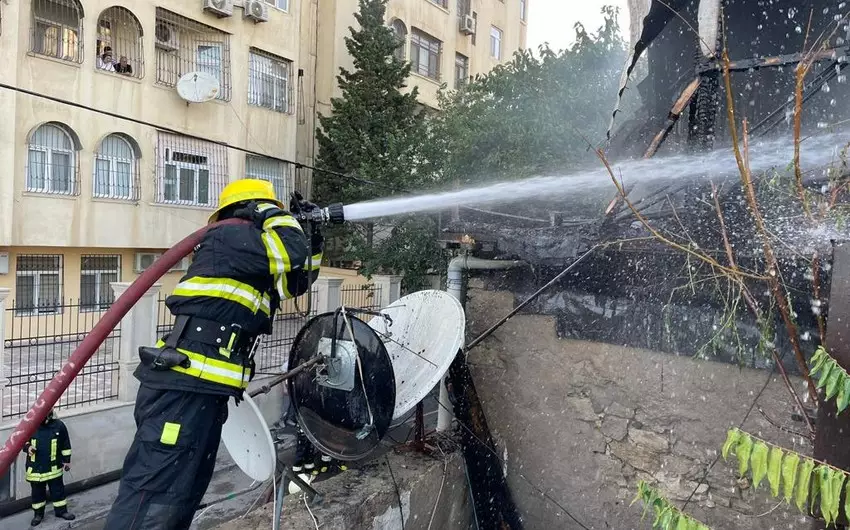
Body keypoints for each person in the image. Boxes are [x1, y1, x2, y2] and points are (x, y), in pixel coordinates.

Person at [104, 179, 324, 529]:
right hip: (183, 388)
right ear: (252, 210)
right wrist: (276, 215)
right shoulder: (228, 238)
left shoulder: (253, 255)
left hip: (204, 391)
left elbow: (294, 281)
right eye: (269, 210)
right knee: (152, 495)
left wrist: (313, 236)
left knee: (181, 497)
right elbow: (288, 253)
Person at [23, 409, 75, 526]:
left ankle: (61, 511)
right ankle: (38, 514)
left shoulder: (59, 426)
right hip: (36, 470)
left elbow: (65, 444)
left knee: (58, 491)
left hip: (54, 468)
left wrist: (67, 461)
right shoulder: (30, 426)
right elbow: (22, 441)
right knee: (37, 494)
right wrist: (28, 448)